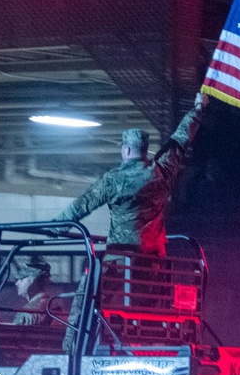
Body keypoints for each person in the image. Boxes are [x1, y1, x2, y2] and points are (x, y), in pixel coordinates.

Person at [52, 94, 207, 256]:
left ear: (125, 149)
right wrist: (198, 108)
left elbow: (81, 205)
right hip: (153, 258)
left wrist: (56, 227)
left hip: (120, 257)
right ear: (144, 150)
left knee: (103, 278)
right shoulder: (162, 171)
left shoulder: (113, 180)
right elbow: (180, 140)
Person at [12, 256, 52, 326]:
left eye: (22, 279)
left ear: (35, 280)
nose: (17, 283)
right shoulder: (54, 307)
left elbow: (13, 335)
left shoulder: (26, 313)